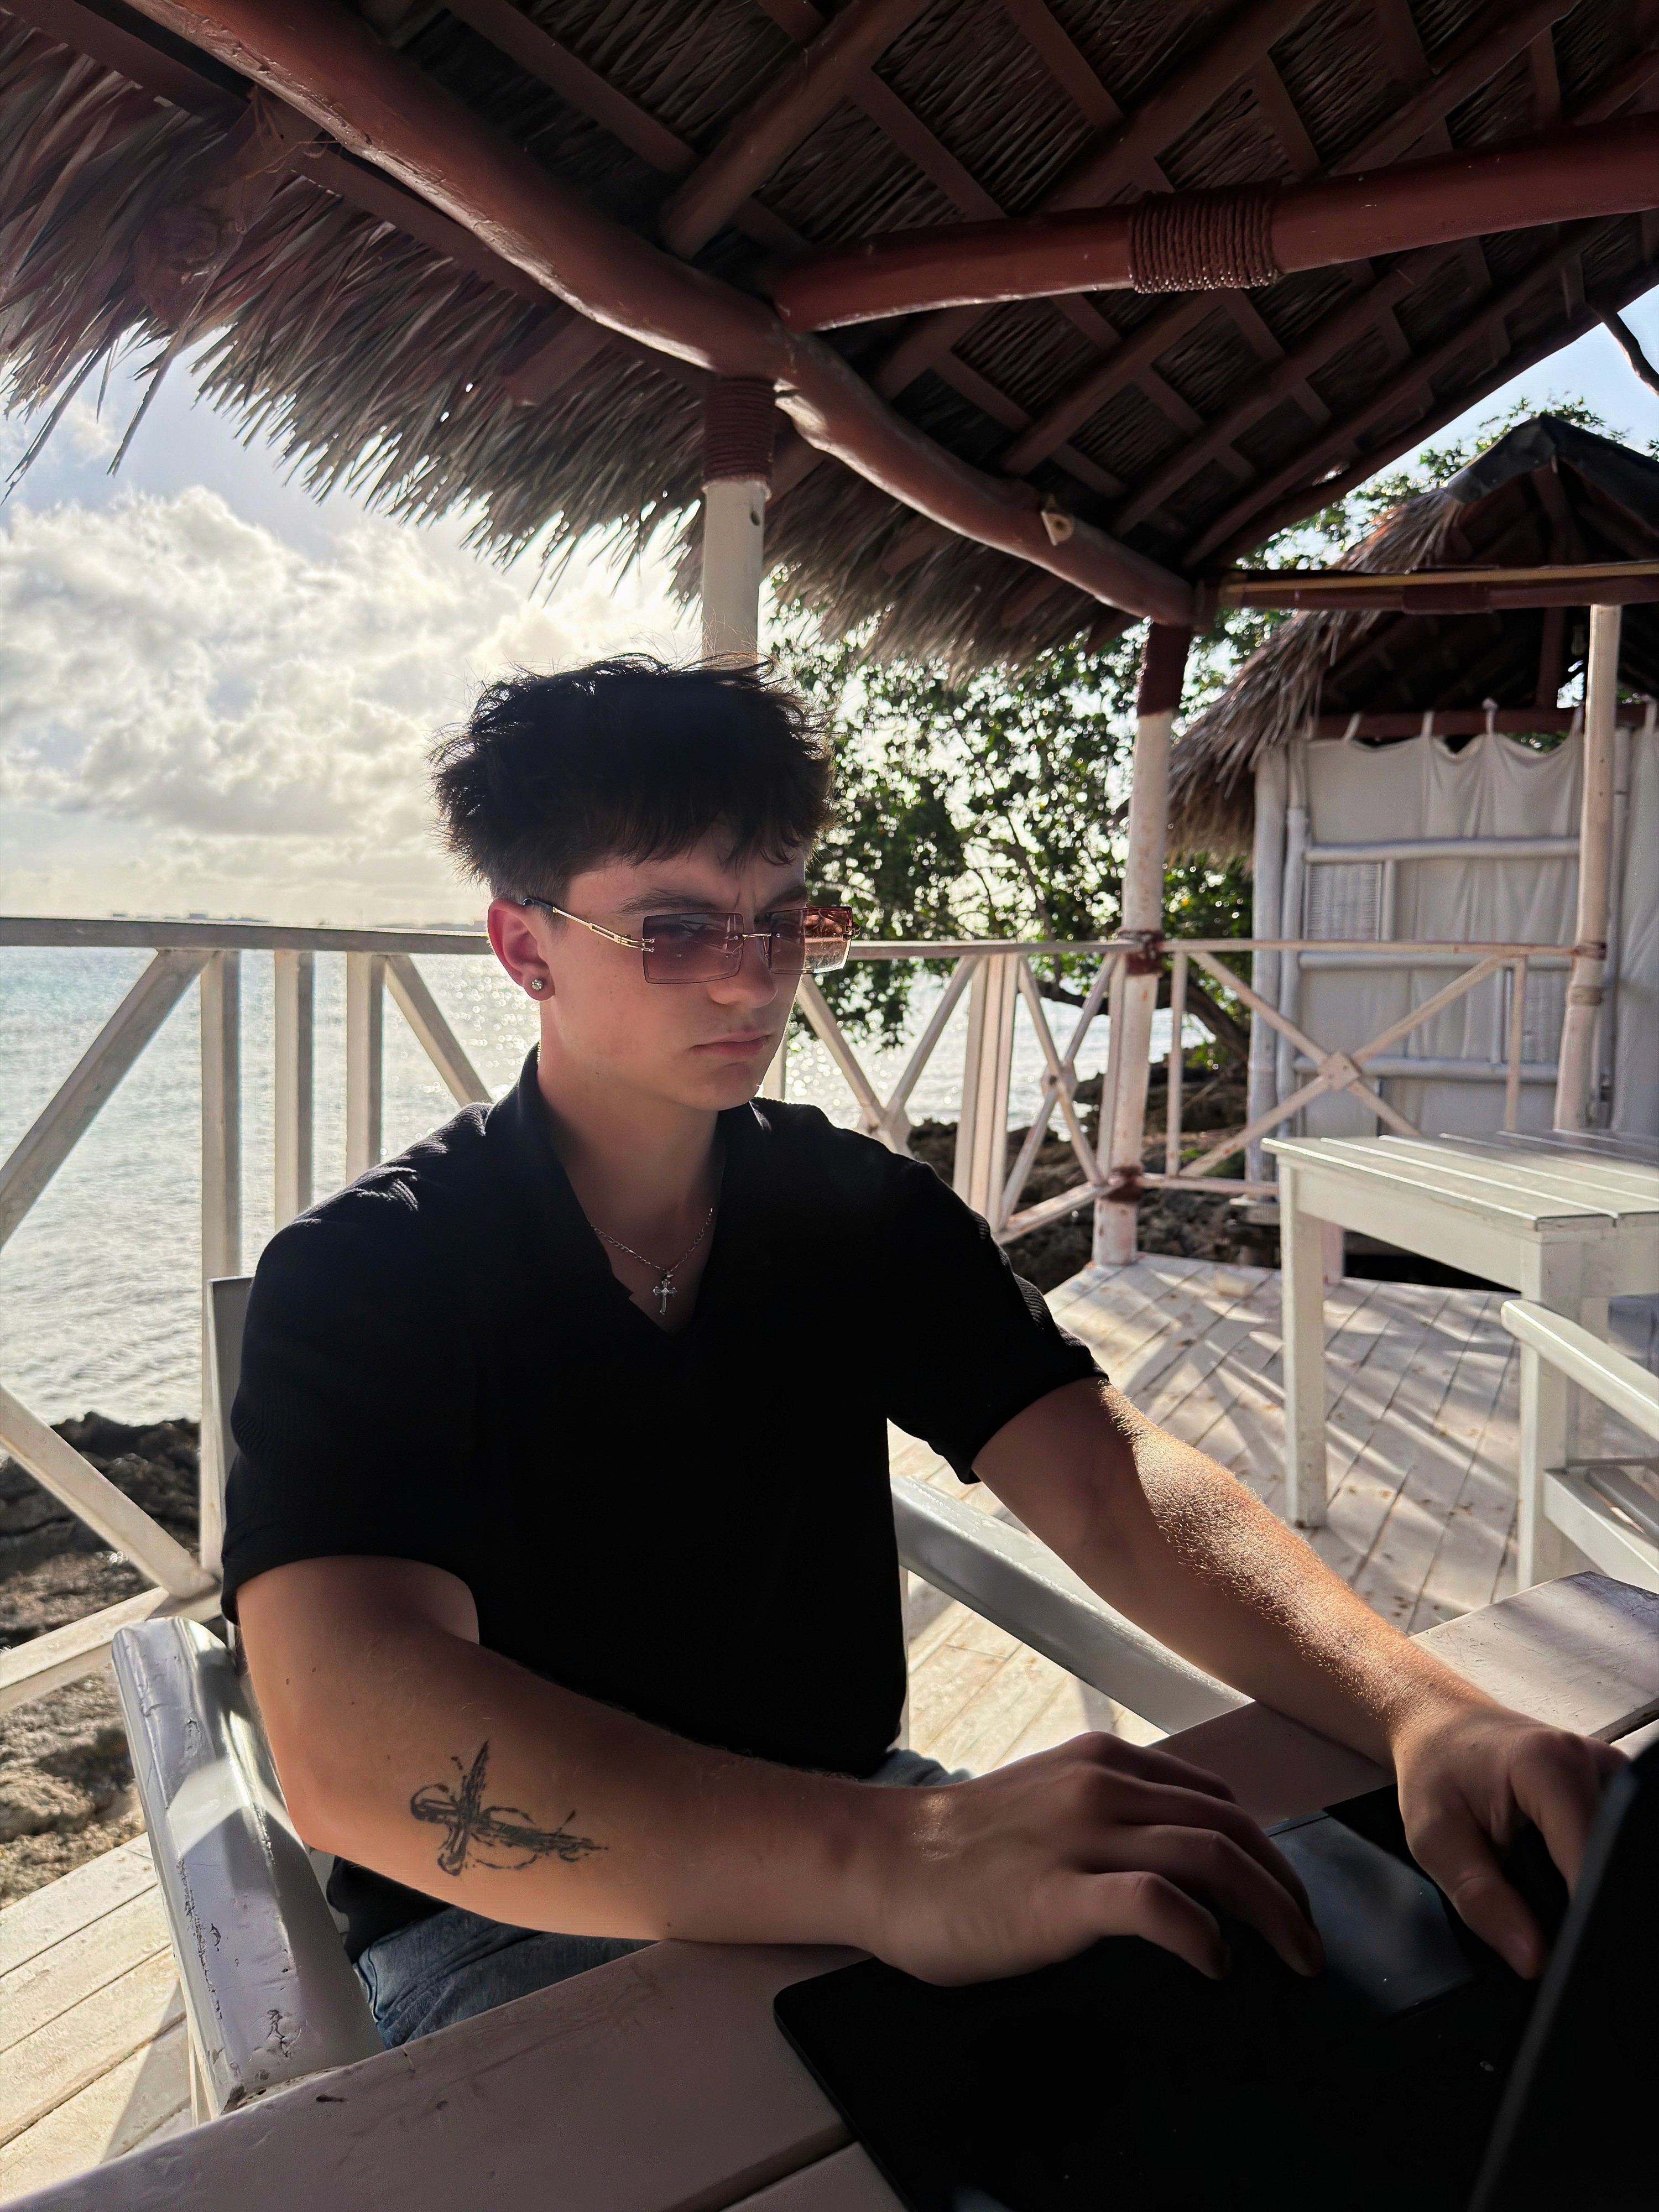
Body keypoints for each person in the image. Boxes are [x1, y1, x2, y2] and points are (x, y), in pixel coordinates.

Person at [225, 655, 1619, 2051]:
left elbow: (1107, 1483)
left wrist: (1422, 1708)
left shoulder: (855, 1214)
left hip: (873, 1830)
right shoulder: (372, 1272)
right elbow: (349, 1742)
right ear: (527, 949)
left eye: (784, 919)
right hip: (513, 1924)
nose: (754, 975)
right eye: (676, 929)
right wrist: (891, 1856)